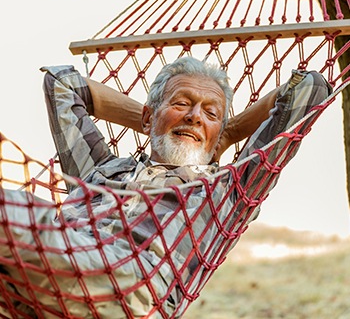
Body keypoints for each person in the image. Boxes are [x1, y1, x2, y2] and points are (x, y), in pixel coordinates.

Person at [0, 57, 331, 318]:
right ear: (148, 116)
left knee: (12, 212)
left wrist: (226, 134)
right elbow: (62, 84)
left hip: (128, 291)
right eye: (182, 102)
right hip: (45, 272)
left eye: (210, 112)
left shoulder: (228, 191)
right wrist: (157, 121)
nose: (195, 116)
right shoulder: (100, 168)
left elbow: (309, 89)